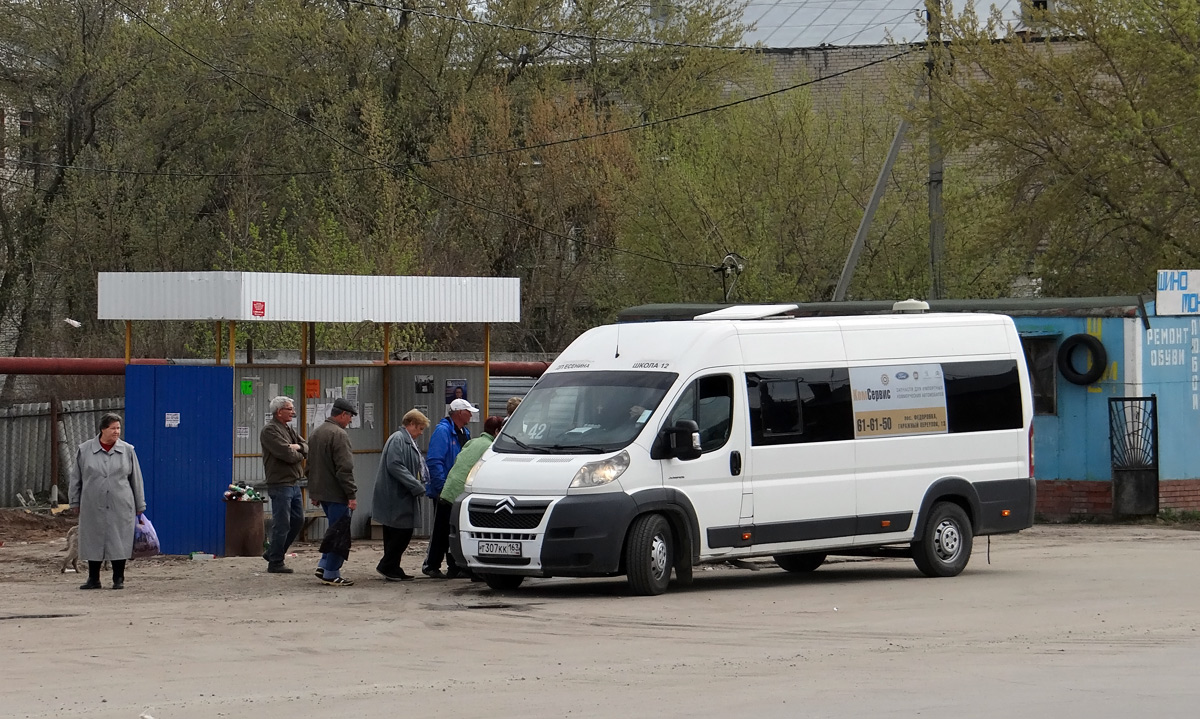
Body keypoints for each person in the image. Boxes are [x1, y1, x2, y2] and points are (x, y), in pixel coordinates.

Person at [68, 413, 147, 590]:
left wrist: (140, 504)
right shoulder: (85, 449)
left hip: (121, 504)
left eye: (118, 428)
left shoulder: (127, 450)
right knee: (93, 540)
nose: (117, 432)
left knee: (119, 541)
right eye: (113, 428)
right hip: (92, 504)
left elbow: (136, 479)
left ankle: (118, 578)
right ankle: (93, 578)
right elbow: (76, 478)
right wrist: (74, 501)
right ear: (103, 429)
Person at [371, 409, 430, 581]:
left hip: (399, 494)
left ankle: (393, 566)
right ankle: (387, 565)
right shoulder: (398, 439)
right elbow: (395, 465)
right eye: (419, 428)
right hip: (396, 494)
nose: (420, 433)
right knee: (402, 532)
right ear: (410, 424)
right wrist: (415, 485)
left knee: (396, 532)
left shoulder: (405, 440)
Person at [422, 397, 476, 578]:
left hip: (456, 490)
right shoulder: (443, 431)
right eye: (468, 412)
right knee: (441, 529)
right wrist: (441, 487)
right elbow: (434, 460)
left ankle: (455, 566)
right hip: (445, 490)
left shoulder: (464, 432)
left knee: (453, 529)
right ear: (460, 413)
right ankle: (431, 565)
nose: (471, 415)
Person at [308, 397, 358, 586]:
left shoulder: (316, 432)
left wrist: (315, 492)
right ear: (343, 414)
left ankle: (323, 565)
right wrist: (351, 495)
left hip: (322, 493)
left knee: (332, 530)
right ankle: (331, 572)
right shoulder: (339, 434)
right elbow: (344, 468)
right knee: (340, 533)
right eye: (350, 416)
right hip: (337, 494)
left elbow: (310, 465)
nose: (351, 420)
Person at [260, 396, 307, 574]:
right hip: (280, 483)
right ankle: (276, 562)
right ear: (279, 411)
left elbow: (305, 445)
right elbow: (287, 454)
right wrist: (298, 451)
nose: (293, 411)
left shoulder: (287, 428)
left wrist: (298, 448)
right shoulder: (270, 431)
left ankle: (273, 552)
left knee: (297, 520)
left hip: (293, 482)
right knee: (282, 523)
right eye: (290, 408)